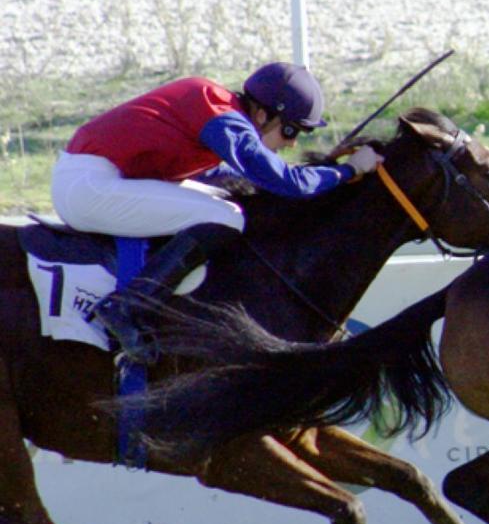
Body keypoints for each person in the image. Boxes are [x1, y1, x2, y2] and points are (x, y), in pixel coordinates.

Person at [50, 62, 383, 364]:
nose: (291, 143)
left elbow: (245, 179)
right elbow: (285, 181)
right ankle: (128, 307)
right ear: (263, 114)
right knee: (225, 217)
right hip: (87, 187)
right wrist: (349, 171)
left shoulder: (219, 113)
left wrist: (321, 174)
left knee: (227, 205)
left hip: (99, 181)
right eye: (291, 130)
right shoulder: (217, 110)